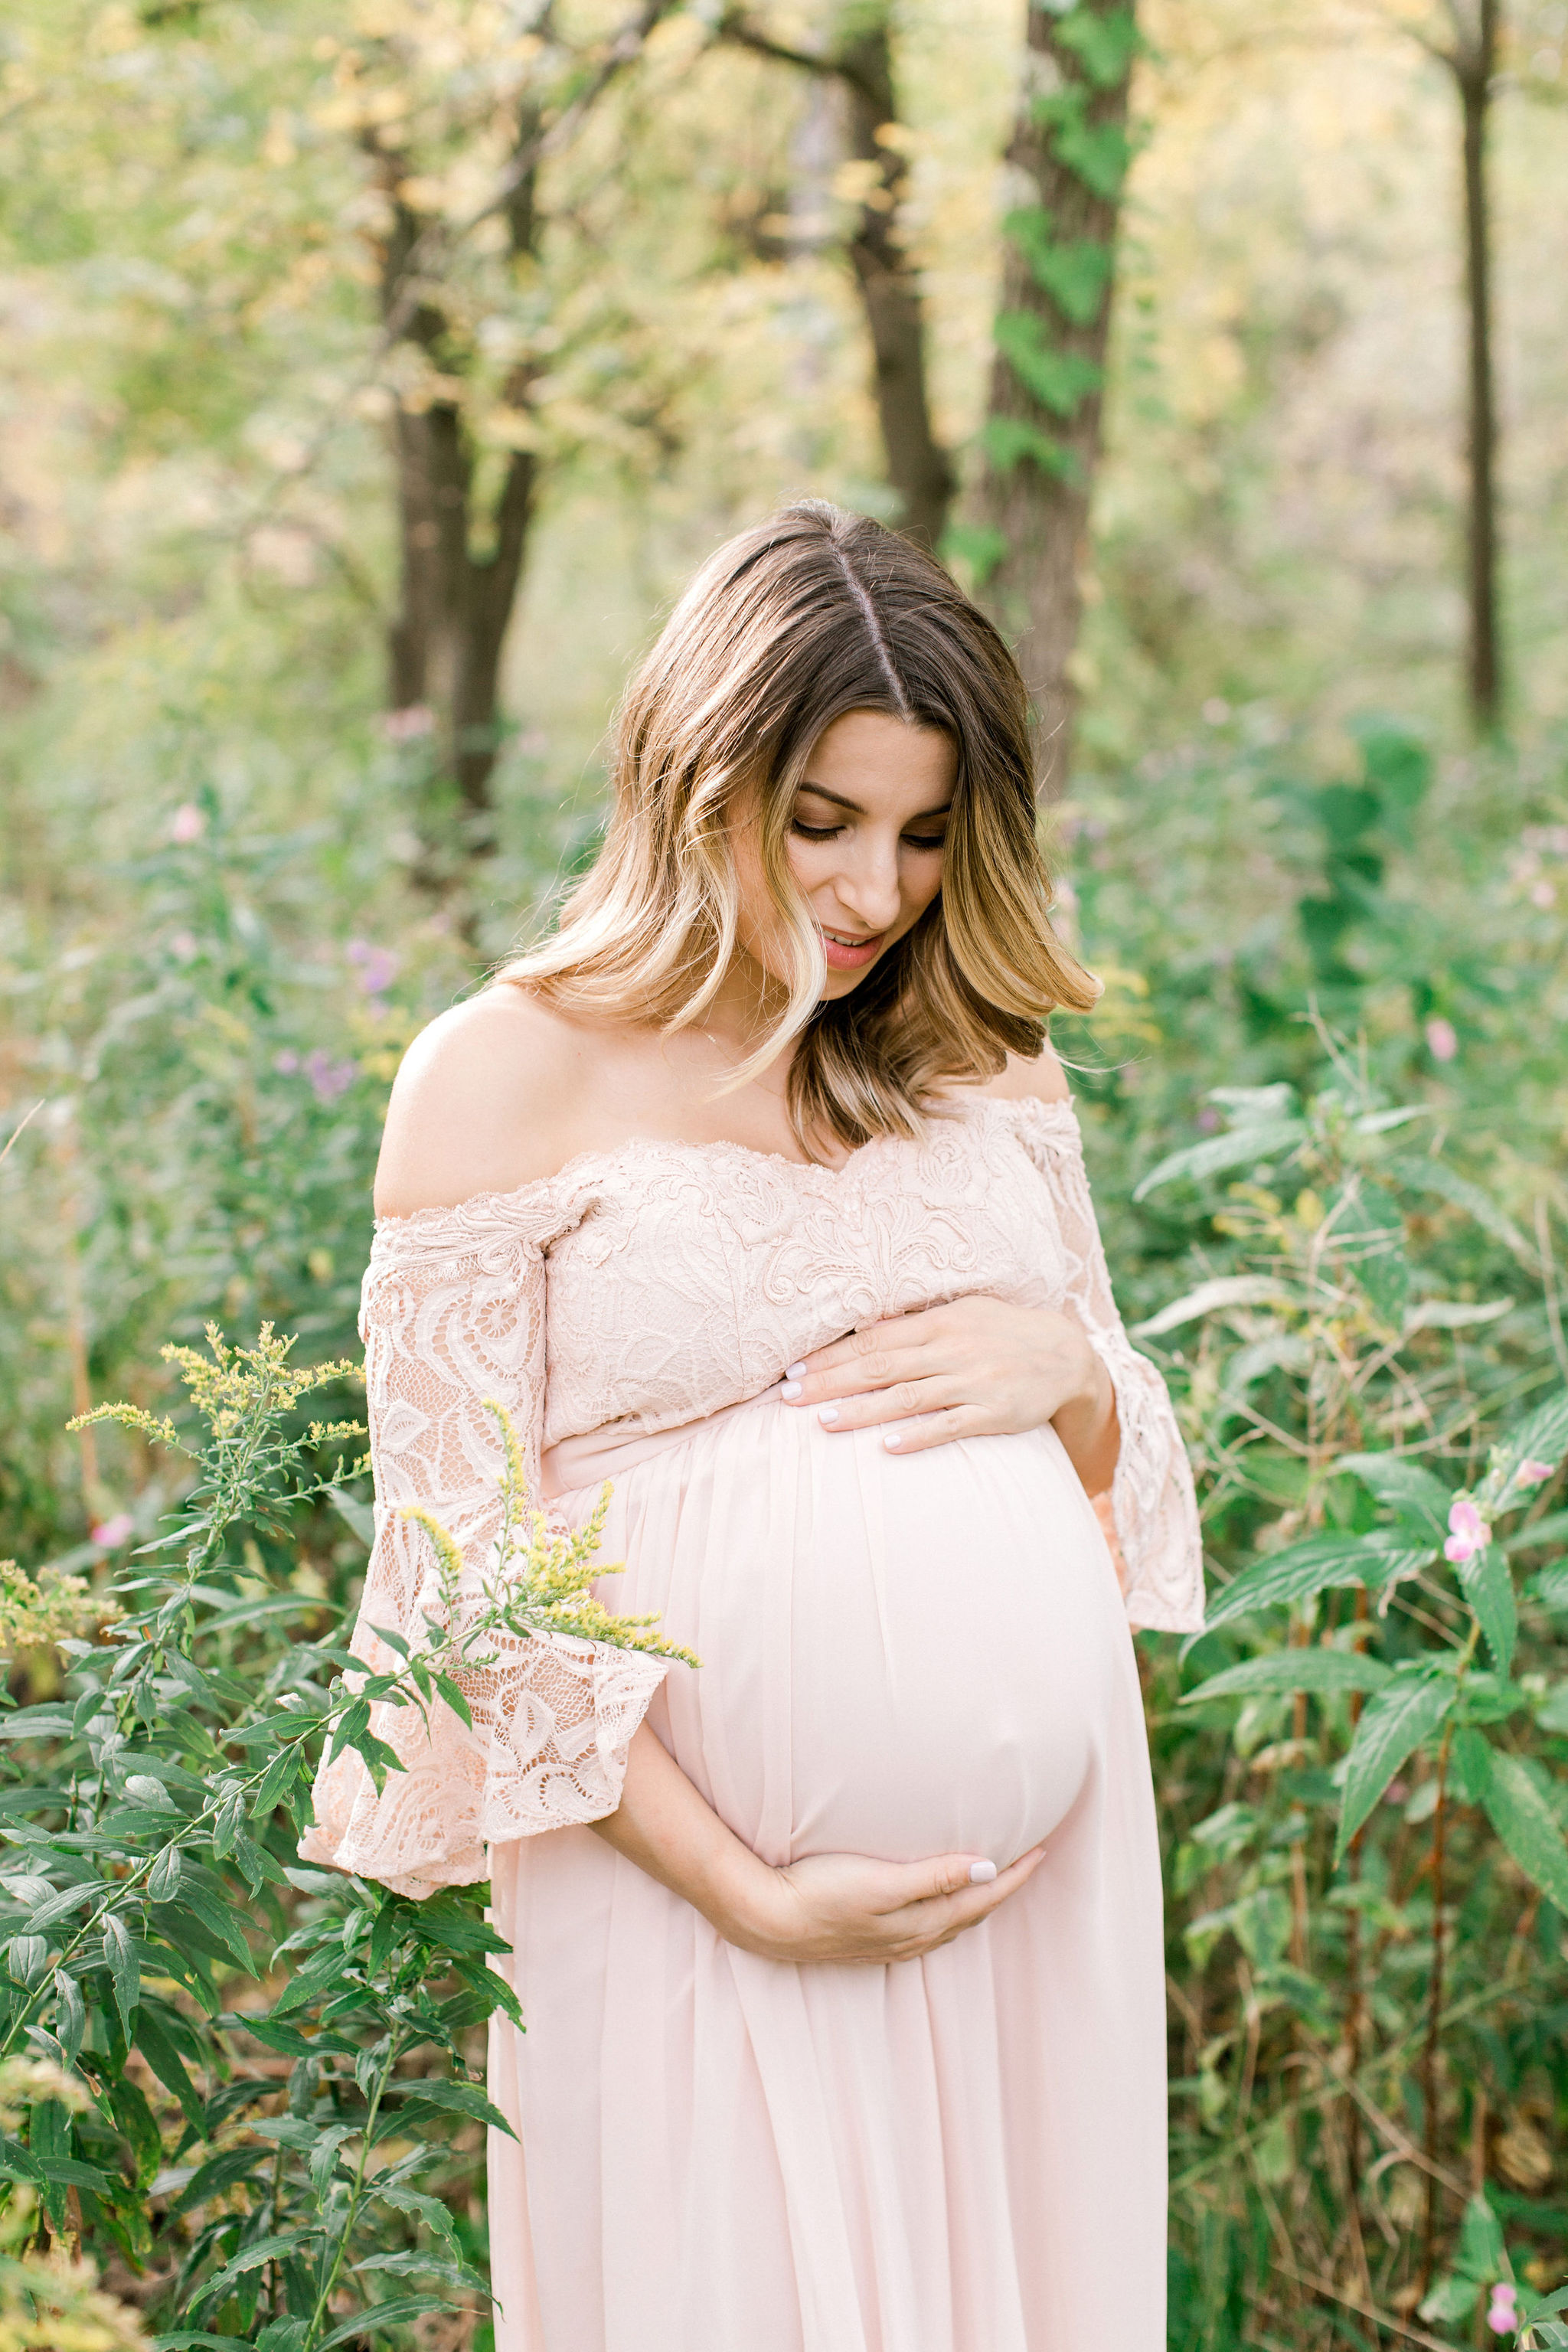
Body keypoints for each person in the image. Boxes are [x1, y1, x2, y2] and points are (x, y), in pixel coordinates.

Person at [304, 501, 1204, 2352]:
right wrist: (755, 1893)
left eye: (926, 834)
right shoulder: (503, 1072)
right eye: (822, 823)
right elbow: (464, 1575)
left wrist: (1070, 1379)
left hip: (1029, 1908)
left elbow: (1119, 1465)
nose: (875, 890)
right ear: (693, 772)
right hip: (699, 1905)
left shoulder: (983, 1053)